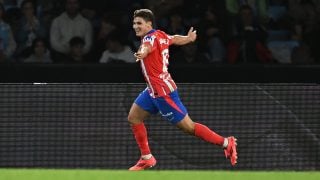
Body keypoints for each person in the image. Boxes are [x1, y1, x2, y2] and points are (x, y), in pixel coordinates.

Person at [128, 9, 238, 171]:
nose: (135, 26)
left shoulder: (150, 39)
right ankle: (147, 158)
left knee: (189, 127)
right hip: (152, 90)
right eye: (134, 23)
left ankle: (227, 142)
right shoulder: (160, 34)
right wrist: (188, 39)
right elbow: (174, 39)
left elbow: (146, 47)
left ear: (149, 24)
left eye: (139, 23)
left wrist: (142, 53)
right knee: (134, 117)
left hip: (163, 93)